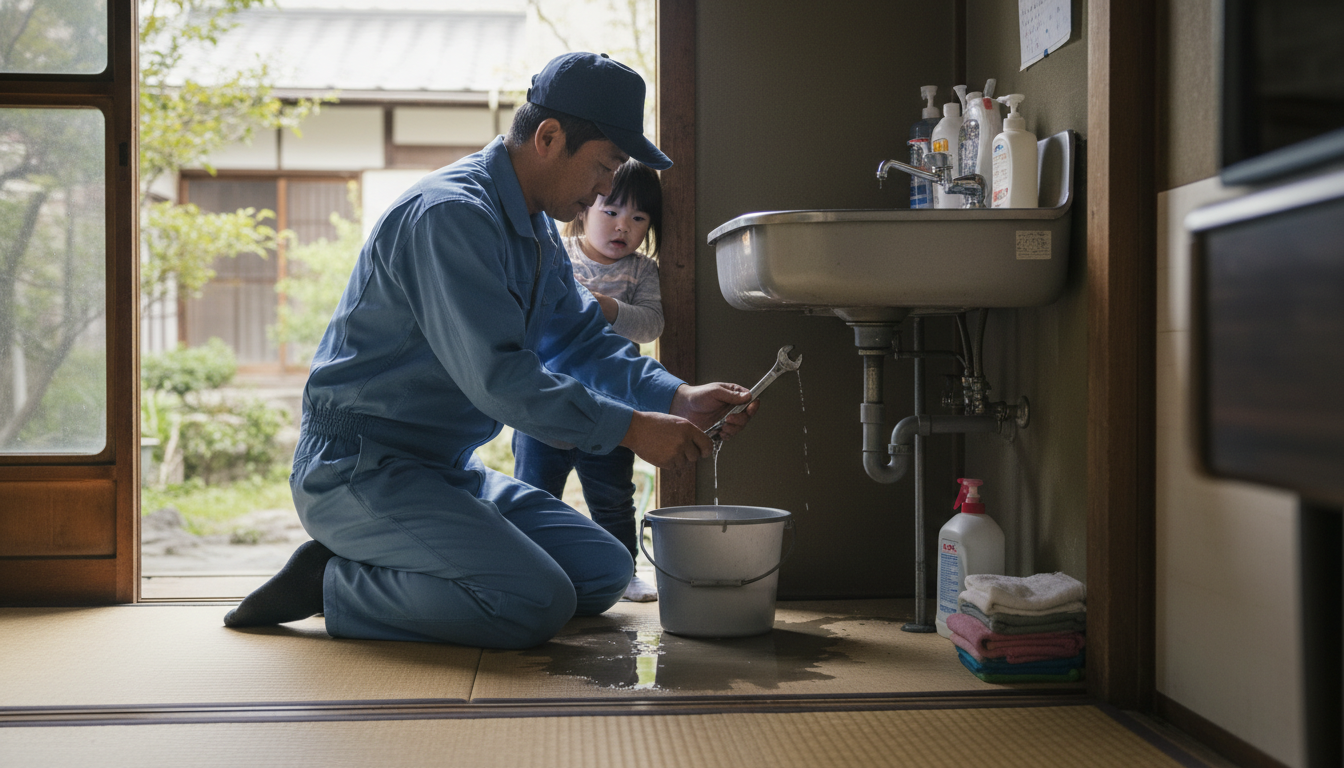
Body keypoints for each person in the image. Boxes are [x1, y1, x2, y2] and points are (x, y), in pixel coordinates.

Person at [222, 52, 757, 649]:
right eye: (605, 167)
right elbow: (499, 379)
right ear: (549, 138)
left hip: (447, 471)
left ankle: (402, 561)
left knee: (603, 572)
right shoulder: (451, 216)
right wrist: (633, 430)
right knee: (535, 602)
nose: (608, 188)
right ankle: (333, 583)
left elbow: (579, 339)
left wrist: (677, 396)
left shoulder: (535, 231)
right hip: (361, 469)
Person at [512, 159, 666, 603]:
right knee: (535, 491)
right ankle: (532, 566)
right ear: (583, 210)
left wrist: (608, 308)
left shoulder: (642, 271)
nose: (624, 227)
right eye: (611, 212)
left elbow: (651, 326)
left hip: (613, 405)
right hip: (546, 401)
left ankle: (623, 573)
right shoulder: (558, 253)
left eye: (639, 218)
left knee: (614, 495)